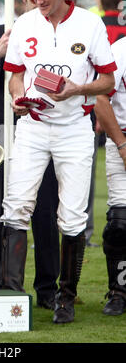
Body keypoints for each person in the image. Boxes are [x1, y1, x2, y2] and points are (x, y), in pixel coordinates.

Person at [0, 0, 116, 324]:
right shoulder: (24, 23)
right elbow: (15, 75)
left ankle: (65, 297)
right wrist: (17, 98)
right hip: (32, 126)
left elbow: (108, 82)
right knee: (15, 204)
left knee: (72, 215)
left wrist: (78, 88)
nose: (38, 0)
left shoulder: (90, 23)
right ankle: (11, 296)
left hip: (75, 128)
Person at [0, 0, 59, 309]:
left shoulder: (58, 35)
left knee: (45, 207)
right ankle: (3, 279)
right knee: (4, 205)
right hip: (4, 129)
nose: (34, 2)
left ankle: (48, 287)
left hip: (48, 127)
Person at [94, 36, 126, 315]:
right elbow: (101, 99)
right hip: (123, 139)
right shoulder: (119, 51)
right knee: (120, 223)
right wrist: (122, 145)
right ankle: (119, 291)